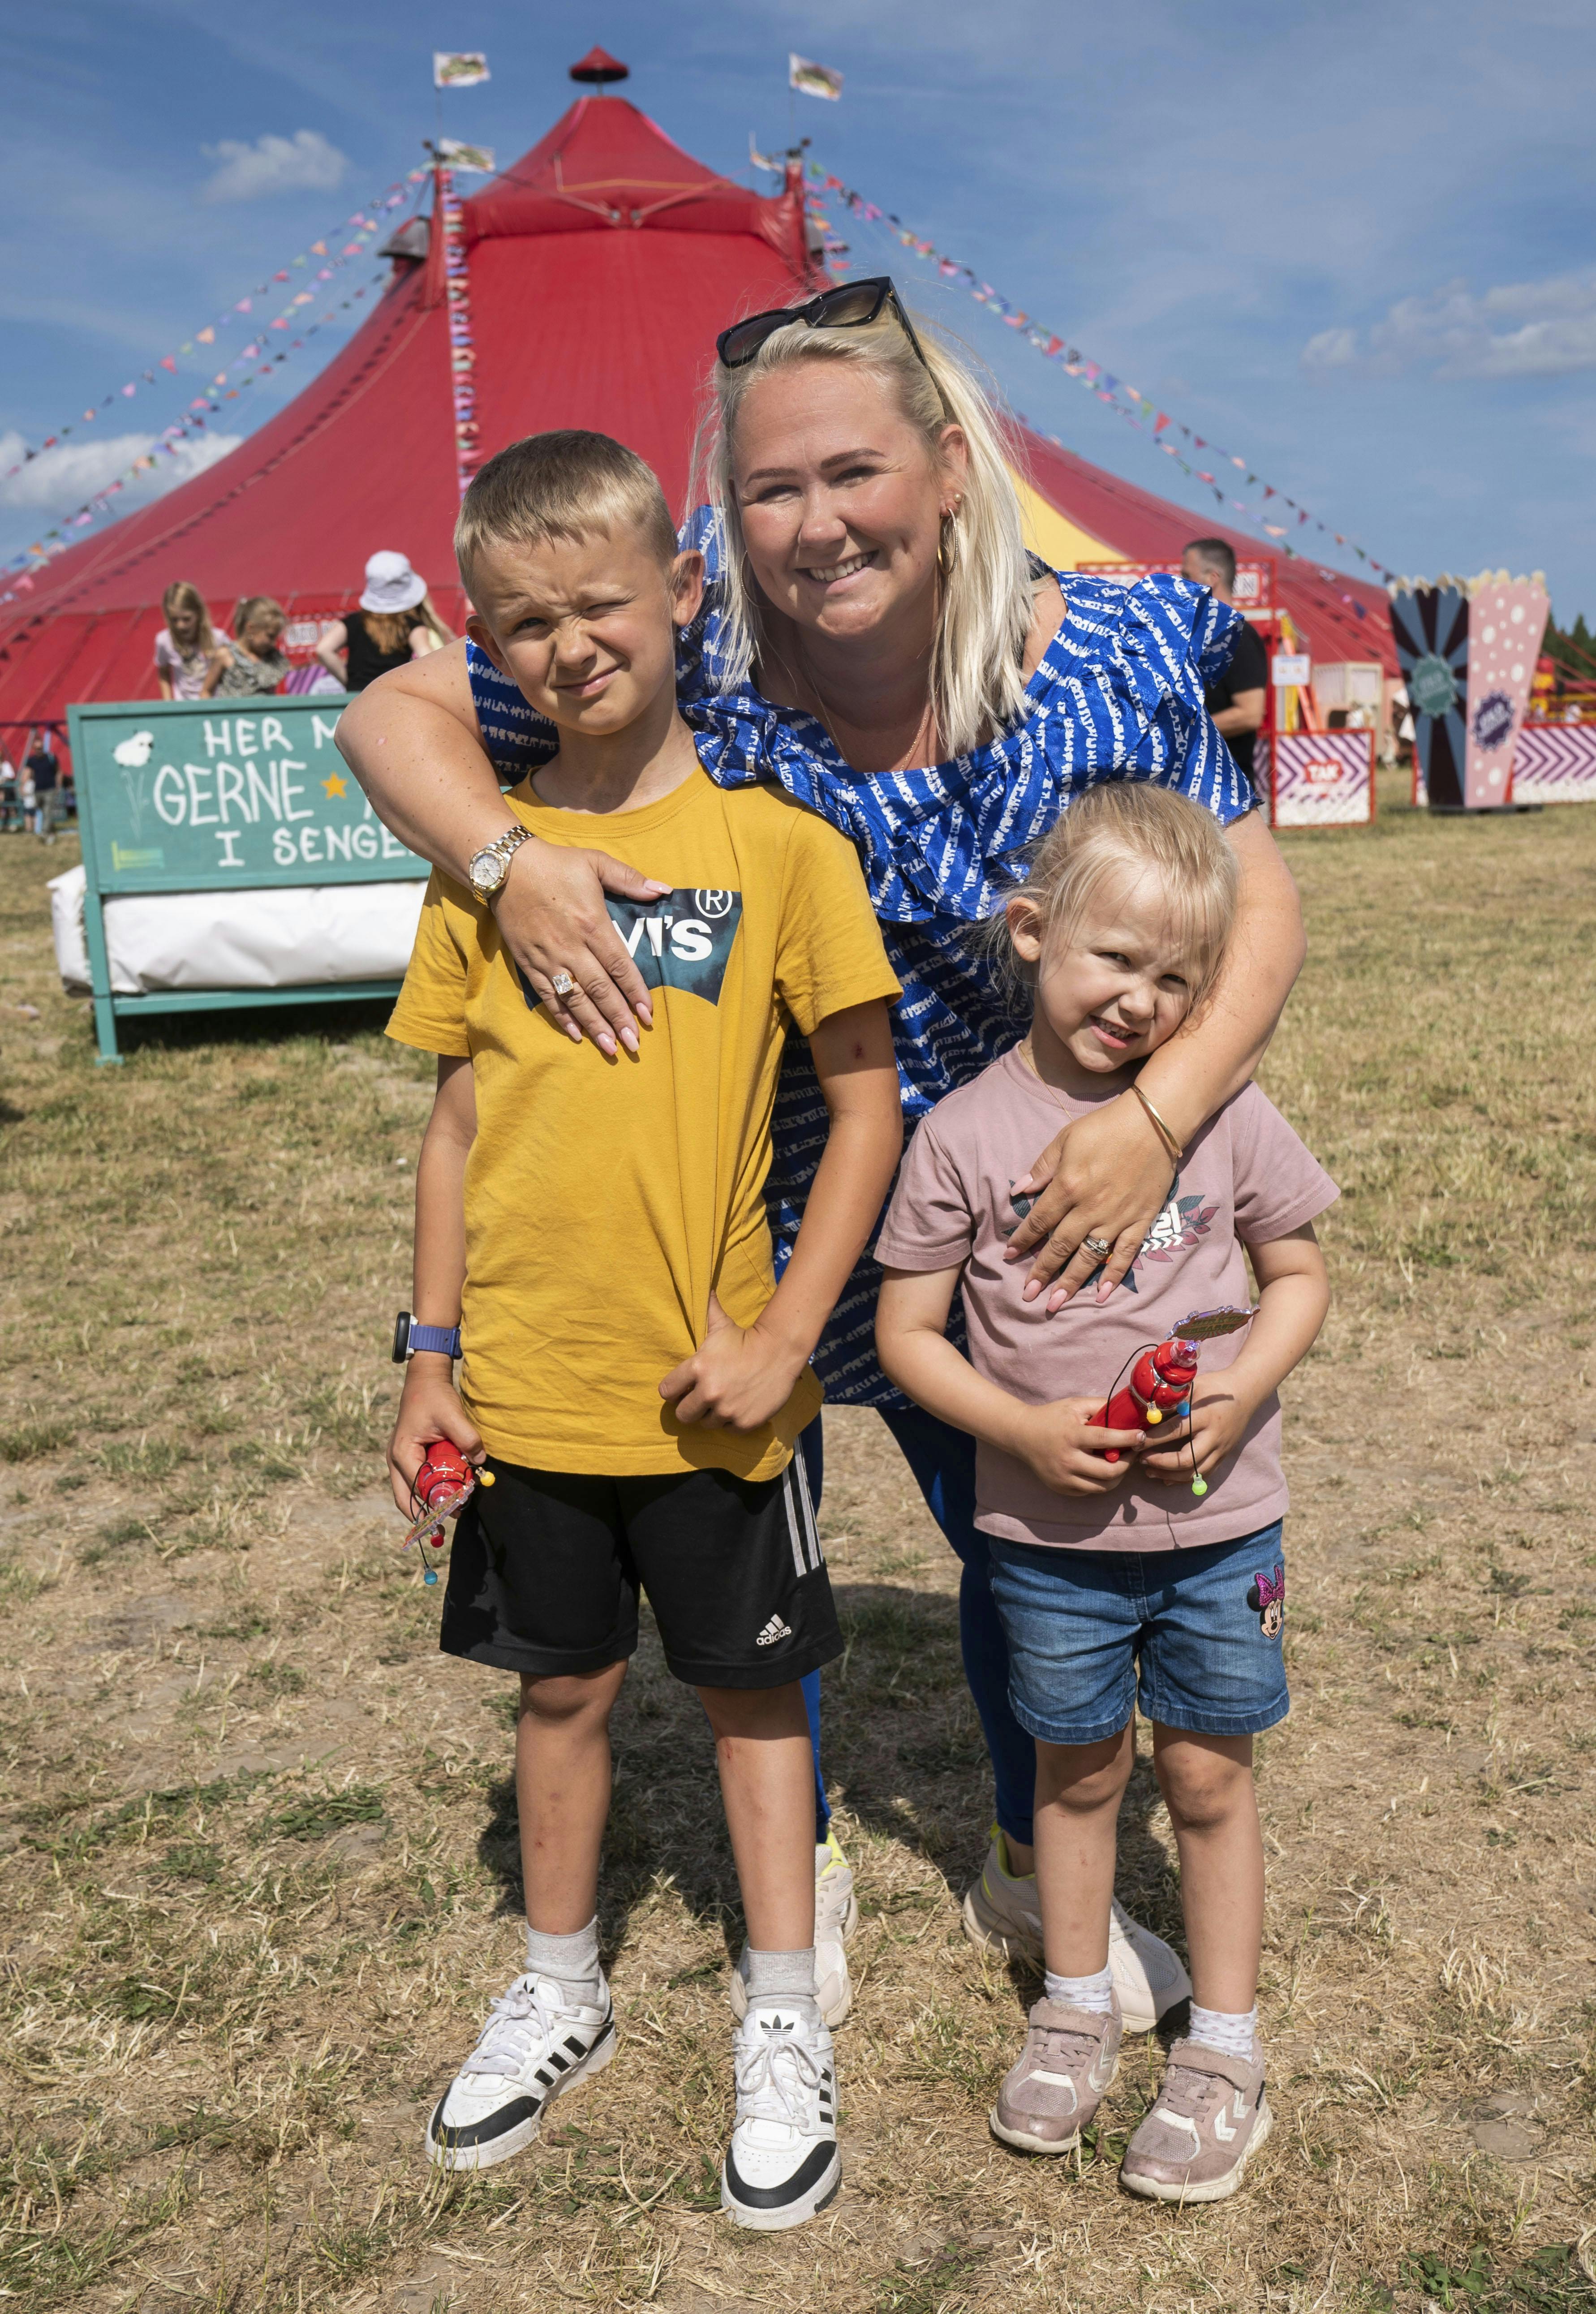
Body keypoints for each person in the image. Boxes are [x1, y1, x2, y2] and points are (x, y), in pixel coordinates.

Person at [338, 280, 1306, 2022]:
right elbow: (383, 718)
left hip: (1055, 1219)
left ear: (943, 469)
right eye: (768, 488)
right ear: (726, 519)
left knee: (1032, 1540)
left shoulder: (1108, 649)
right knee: (742, 1559)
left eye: (849, 471)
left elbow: (1261, 912)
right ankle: (811, 1858)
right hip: (788, 1224)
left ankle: (1031, 1859)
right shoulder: (691, 662)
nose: (813, 522)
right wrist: (513, 863)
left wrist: (1152, 1129)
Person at [383, 431, 903, 2227]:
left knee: (757, 1699)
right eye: (520, 622)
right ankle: (556, 1982)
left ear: (684, 592)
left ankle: (779, 2014)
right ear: (489, 644)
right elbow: (453, 1124)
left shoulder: (779, 850)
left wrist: (790, 1337)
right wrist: (427, 1353)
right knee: (560, 1685)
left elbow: (866, 1104)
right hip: (526, 1389)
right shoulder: (487, 867)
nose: (566, 644)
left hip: (717, 1393)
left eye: (598, 600)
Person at [874, 784, 1334, 2202]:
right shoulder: (958, 1132)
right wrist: (1017, 1425)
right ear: (1028, 935)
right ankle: (1072, 2007)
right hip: (1045, 1546)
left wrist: (1239, 1389)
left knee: (1204, 1775)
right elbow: (903, 1334)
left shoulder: (1226, 1116)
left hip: (1218, 1535)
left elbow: (1300, 1279)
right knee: (1074, 1777)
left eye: (1174, 979)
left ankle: (1224, 2050)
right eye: (1111, 961)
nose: (1139, 1001)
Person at [1180, 541, 1269, 796]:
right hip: (1196, 789)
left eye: (1187, 575)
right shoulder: (1201, 636)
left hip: (1228, 791)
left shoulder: (1236, 636)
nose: (1182, 583)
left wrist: (1183, 732)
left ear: (1212, 579)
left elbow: (1250, 713)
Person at [315, 552, 454, 691]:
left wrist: (350, 682)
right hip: (392, 698)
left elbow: (323, 649)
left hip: (357, 699)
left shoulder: (353, 622)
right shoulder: (412, 626)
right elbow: (428, 659)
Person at [154, 581, 226, 700]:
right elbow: (163, 672)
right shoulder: (164, 641)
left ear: (199, 613)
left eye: (187, 619)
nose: (180, 626)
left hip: (214, 706)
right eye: (175, 620)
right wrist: (168, 704)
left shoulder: (218, 638)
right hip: (184, 708)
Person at [207, 596, 291, 698]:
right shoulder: (225, 655)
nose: (273, 643)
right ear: (250, 628)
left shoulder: (273, 658)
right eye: (270, 636)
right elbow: (206, 692)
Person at [25, 734, 61, 840]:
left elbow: (59, 772)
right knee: (44, 811)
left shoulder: (51, 758)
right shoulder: (31, 761)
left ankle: (45, 833)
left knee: (47, 811)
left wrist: (58, 785)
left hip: (50, 789)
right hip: (38, 790)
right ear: (33, 749)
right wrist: (23, 785)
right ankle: (52, 829)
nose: (39, 750)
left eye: (40, 748)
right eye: (37, 749)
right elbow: (27, 773)